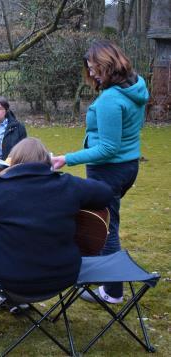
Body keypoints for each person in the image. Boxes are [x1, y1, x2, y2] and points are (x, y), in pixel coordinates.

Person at [51, 40, 149, 304]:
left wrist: (66, 159)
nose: (91, 73)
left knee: (105, 228)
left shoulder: (111, 100)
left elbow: (107, 148)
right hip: (128, 165)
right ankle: (96, 272)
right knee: (104, 221)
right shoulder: (136, 86)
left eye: (95, 68)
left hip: (109, 170)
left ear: (108, 65)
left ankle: (113, 291)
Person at [0, 138, 113, 295]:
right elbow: (106, 193)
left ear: (13, 161)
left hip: (5, 281)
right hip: (61, 279)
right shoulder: (68, 185)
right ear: (46, 160)